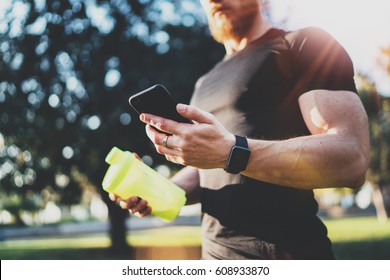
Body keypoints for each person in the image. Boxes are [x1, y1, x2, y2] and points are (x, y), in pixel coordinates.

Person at [111, 0, 370, 259]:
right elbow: (210, 169)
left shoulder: (306, 44)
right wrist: (154, 188)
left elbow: (351, 157)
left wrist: (232, 152)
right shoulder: (205, 82)